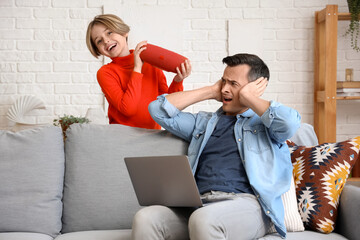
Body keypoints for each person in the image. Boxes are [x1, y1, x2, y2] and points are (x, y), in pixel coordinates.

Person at [132, 53, 301, 239]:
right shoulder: (204, 122)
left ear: (253, 89)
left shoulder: (265, 125)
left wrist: (247, 97)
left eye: (234, 84)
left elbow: (289, 123)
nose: (225, 89)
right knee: (146, 218)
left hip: (246, 205)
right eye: (223, 82)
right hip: (198, 205)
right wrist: (211, 91)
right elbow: (157, 110)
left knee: (203, 220)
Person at [86, 14, 191, 129]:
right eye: (99, 41)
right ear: (98, 50)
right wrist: (137, 69)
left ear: (124, 32)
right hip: (122, 138)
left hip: (152, 136)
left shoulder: (150, 63)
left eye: (109, 33)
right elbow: (128, 109)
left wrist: (177, 81)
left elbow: (167, 107)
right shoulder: (105, 73)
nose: (106, 40)